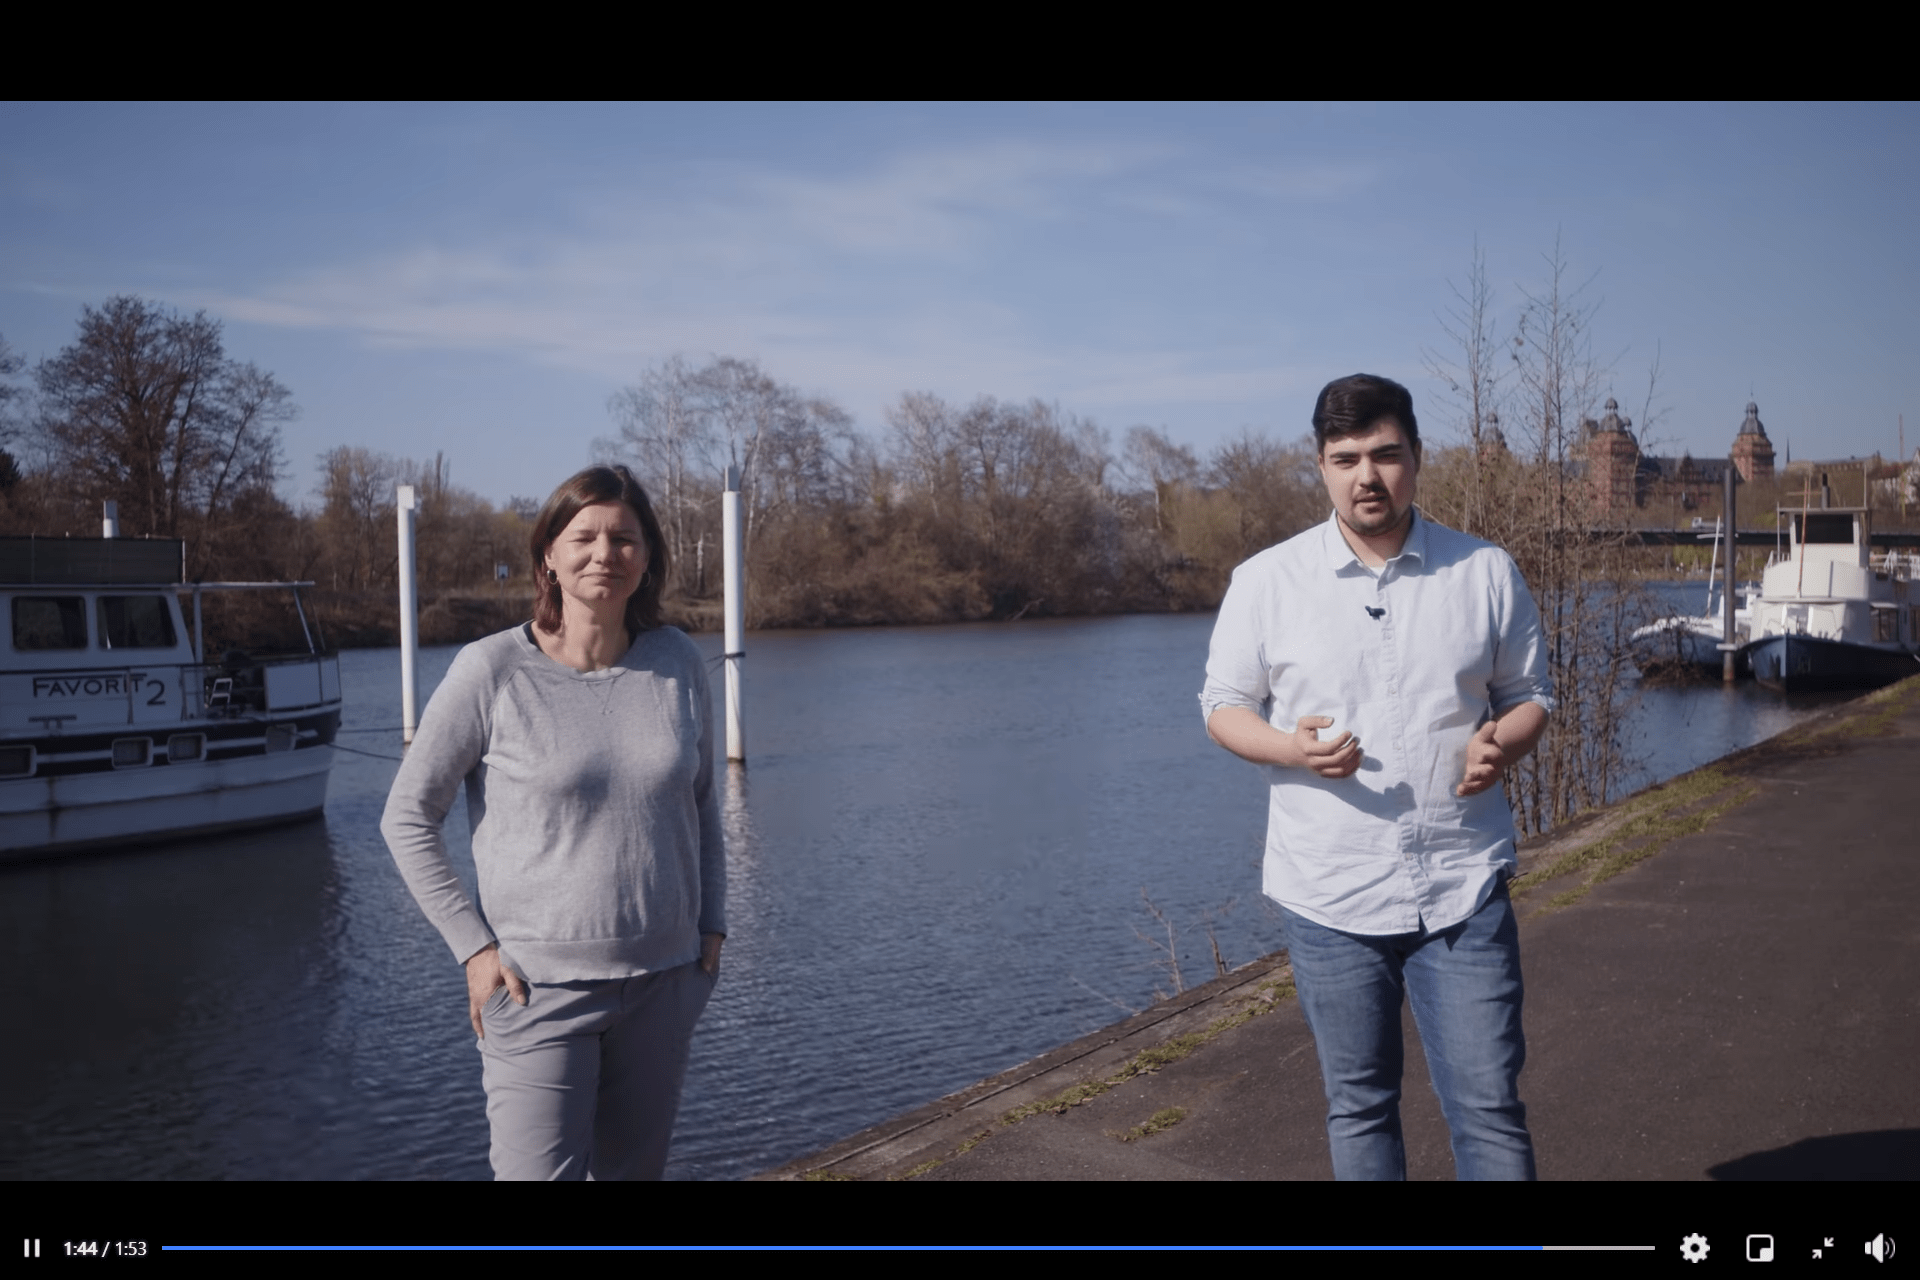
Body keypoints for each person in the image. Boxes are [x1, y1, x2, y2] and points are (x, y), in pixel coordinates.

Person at [1198, 373, 1552, 1181]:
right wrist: (1292, 748)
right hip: (1331, 892)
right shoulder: (1265, 582)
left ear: (1417, 458)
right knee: (1359, 1106)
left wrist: (1507, 742)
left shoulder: (1485, 571)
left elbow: (1530, 694)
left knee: (1490, 1107)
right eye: (1345, 457)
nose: (1368, 475)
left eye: (1386, 454)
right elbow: (1223, 706)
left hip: (1462, 885)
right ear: (1320, 467)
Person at [381, 464, 725, 1181]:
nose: (606, 554)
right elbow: (406, 818)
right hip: (535, 989)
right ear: (549, 554)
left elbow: (699, 801)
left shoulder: (677, 662)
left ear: (648, 556)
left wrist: (711, 929)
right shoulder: (492, 671)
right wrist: (473, 949)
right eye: (585, 537)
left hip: (663, 983)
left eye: (626, 539)